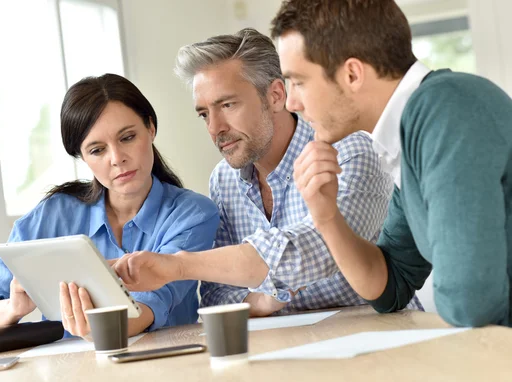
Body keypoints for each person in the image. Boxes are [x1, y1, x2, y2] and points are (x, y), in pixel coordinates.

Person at [112, 28, 421, 316]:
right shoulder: (224, 179)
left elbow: (316, 249)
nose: (215, 128)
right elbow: (217, 296)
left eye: (228, 105)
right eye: (204, 113)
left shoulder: (349, 153)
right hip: (284, 350)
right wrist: (263, 300)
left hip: (377, 339)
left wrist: (179, 265)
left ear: (275, 95)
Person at [270, 0, 512, 327]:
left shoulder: (445, 110)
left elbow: (472, 301)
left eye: (298, 81)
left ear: (352, 74)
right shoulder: (409, 129)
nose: (292, 102)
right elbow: (390, 284)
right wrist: (325, 215)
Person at [0, 74, 219, 337]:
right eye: (97, 150)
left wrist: (96, 327)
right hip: (67, 370)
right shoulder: (54, 215)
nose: (117, 158)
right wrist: (13, 308)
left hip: (166, 366)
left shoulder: (194, 214)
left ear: (151, 128)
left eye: (128, 137)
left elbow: (151, 306)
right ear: (83, 157)